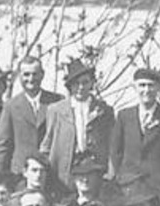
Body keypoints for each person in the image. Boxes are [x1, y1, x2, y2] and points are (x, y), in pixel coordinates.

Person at [38, 59, 114, 197]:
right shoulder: (56, 110)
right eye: (76, 83)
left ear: (91, 83)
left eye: (85, 82)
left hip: (93, 169)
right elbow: (47, 144)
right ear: (70, 86)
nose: (80, 87)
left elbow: (111, 144)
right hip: (64, 171)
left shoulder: (104, 110)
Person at [0, 55, 62, 178]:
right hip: (21, 175)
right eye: (26, 75)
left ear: (42, 75)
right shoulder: (11, 106)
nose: (31, 79)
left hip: (51, 173)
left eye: (35, 74)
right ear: (19, 77)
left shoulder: (57, 102)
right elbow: (1, 146)